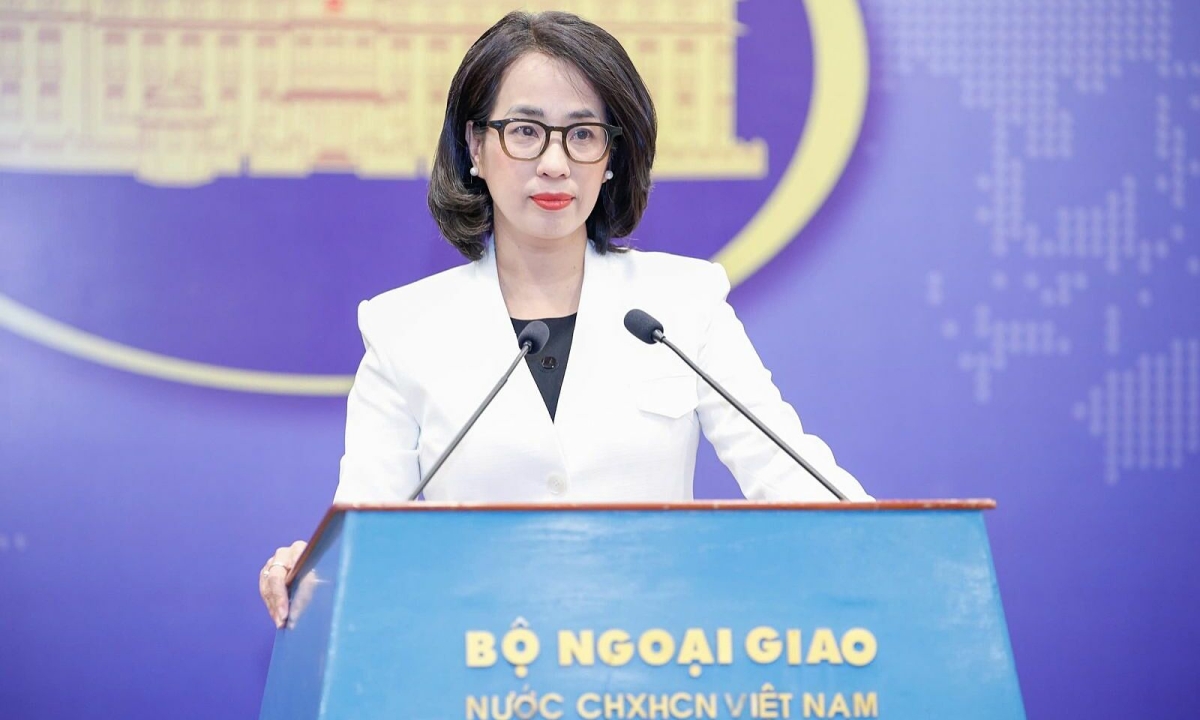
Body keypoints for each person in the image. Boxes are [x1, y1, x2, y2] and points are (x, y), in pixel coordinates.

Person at [259, 10, 872, 628]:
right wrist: (309, 572)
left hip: (651, 655)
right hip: (474, 657)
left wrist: (888, 546)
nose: (555, 163)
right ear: (475, 146)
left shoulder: (683, 302)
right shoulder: (403, 331)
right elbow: (362, 533)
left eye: (582, 134)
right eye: (525, 131)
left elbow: (791, 474)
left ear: (611, 155)